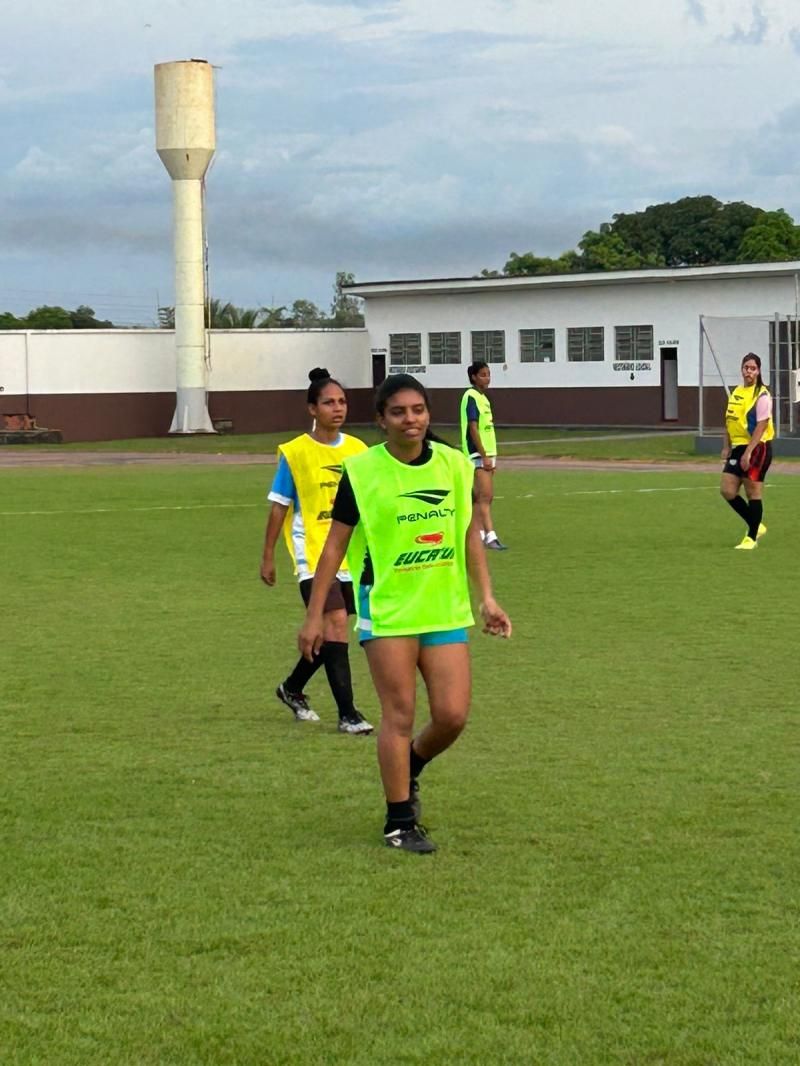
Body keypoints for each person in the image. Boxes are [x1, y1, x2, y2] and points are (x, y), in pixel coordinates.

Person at [299, 374, 512, 853]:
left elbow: (467, 536)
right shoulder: (362, 471)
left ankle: (410, 764)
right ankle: (399, 822)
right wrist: (315, 614)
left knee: (452, 715)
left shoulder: (455, 466)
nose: (410, 419)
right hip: (389, 610)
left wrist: (488, 598)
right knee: (398, 714)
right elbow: (334, 547)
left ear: (427, 414)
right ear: (381, 420)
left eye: (417, 410)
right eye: (398, 412)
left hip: (443, 609)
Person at [260, 367, 373, 734]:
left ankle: (292, 688)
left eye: (342, 401)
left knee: (330, 634)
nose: (337, 408)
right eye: (328, 402)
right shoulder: (295, 453)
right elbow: (279, 505)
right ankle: (349, 714)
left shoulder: (359, 450)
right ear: (312, 409)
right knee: (337, 623)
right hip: (312, 555)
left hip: (351, 556)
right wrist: (268, 556)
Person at [720, 352, 774, 550]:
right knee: (727, 489)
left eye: (752, 368)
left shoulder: (762, 395)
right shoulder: (737, 391)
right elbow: (729, 420)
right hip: (738, 446)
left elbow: (761, 426)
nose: (748, 371)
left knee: (753, 492)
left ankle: (751, 538)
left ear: (758, 371)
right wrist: (726, 445)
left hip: (757, 447)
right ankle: (756, 523)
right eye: (746, 367)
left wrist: (749, 452)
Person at [459, 360, 507, 549]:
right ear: (473, 377)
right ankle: (490, 536)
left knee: (483, 497)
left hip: (488, 453)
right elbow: (473, 427)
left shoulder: (483, 398)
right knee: (485, 497)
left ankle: (477, 534)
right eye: (483, 374)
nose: (487, 378)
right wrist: (484, 454)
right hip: (478, 455)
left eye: (488, 374)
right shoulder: (470, 396)